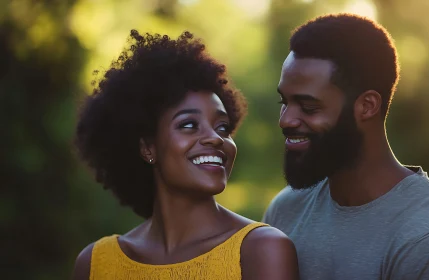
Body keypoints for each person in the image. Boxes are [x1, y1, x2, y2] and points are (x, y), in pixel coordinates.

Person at [263, 13, 429, 280]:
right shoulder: (285, 210)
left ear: (367, 106)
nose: (285, 120)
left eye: (308, 107)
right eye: (285, 102)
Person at [71, 30, 299, 280]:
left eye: (223, 127)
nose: (215, 137)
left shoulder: (260, 250)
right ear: (148, 147)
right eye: (189, 125)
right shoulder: (95, 263)